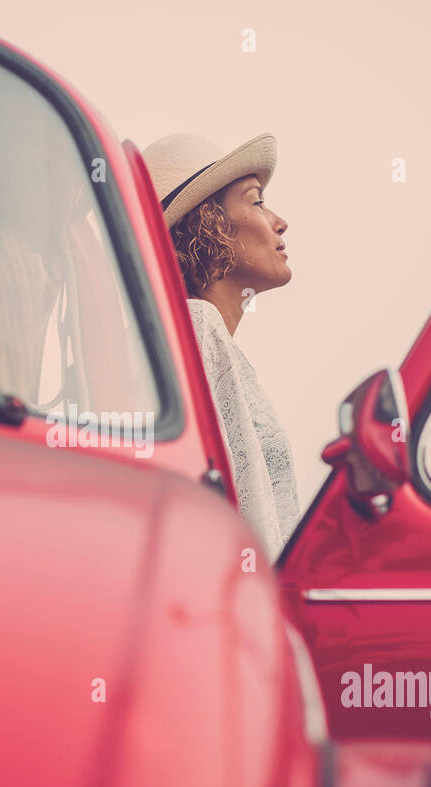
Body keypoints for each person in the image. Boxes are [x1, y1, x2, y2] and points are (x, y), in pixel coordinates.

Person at [141, 132, 300, 561]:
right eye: (256, 201)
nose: (279, 221)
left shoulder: (201, 340)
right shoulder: (198, 328)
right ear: (207, 225)